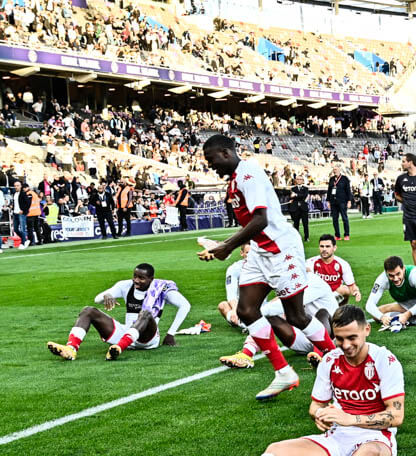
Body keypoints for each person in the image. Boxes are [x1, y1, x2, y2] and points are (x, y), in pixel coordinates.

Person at [171, 305, 403, 456]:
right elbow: (316, 405)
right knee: (277, 449)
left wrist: (350, 418)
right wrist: (319, 415)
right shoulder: (330, 360)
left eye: (352, 338)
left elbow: (396, 416)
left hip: (376, 439)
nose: (346, 345)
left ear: (366, 330)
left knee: (366, 455)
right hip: (338, 437)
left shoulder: (384, 360)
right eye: (340, 339)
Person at [198, 134, 336, 400]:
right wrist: (221, 246)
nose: (210, 165)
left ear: (226, 153)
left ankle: (336, 360)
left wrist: (227, 246)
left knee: (296, 316)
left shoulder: (248, 175)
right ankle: (284, 373)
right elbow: (252, 225)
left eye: (211, 159)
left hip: (281, 250)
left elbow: (261, 219)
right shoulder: (235, 180)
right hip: (260, 251)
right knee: (246, 310)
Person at [47, 263, 190, 361]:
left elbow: (185, 305)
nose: (136, 280)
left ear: (151, 279)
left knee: (145, 313)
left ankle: (118, 348)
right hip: (126, 333)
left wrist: (170, 334)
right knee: (88, 310)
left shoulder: (161, 289)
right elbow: (97, 299)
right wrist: (106, 296)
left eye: (141, 278)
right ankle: (71, 349)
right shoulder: (125, 285)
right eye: (135, 276)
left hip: (147, 339)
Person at [219, 272, 338, 370]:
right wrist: (254, 317)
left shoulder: (315, 283)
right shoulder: (290, 285)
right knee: (268, 317)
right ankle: (246, 355)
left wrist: (251, 315)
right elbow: (277, 307)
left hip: (329, 338)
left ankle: (320, 355)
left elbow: (284, 305)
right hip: (301, 339)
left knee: (322, 314)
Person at [365, 255, 416, 332]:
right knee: (376, 316)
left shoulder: (414, 274)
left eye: (398, 274)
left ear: (403, 269)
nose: (395, 279)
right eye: (391, 276)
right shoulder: (382, 279)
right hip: (407, 304)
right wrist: (382, 317)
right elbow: (369, 304)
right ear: (386, 272)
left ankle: (415, 316)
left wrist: (407, 314)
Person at [308, 234, 360, 303]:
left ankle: (340, 309)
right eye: (322, 246)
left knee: (345, 290)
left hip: (333, 294)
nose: (324, 249)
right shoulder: (310, 262)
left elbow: (351, 285)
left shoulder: (343, 264)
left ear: (334, 248)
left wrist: (356, 291)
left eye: (327, 246)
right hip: (316, 295)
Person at [327, 165, 352, 241]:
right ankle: (337, 235)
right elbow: (329, 190)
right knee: (335, 219)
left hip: (342, 201)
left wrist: (349, 201)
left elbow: (348, 190)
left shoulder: (344, 179)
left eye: (336, 169)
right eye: (334, 169)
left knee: (344, 218)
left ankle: (346, 234)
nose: (334, 171)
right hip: (333, 202)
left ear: (339, 170)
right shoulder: (331, 179)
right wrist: (328, 201)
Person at [289, 177, 310, 242]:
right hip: (296, 208)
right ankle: (296, 237)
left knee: (305, 223)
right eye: (297, 179)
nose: (299, 180)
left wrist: (296, 195)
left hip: (303, 208)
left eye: (300, 179)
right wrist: (296, 196)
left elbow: (304, 196)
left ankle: (306, 237)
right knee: (296, 223)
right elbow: (292, 197)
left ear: (303, 181)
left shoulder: (306, 188)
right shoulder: (293, 188)